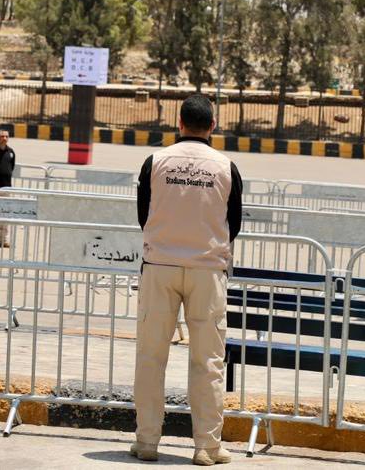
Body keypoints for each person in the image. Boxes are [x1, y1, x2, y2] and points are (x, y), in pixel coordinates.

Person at [131, 94, 242, 466]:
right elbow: (234, 223)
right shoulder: (226, 167)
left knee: (151, 356)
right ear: (212, 126)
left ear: (179, 123)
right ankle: (207, 446)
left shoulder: (155, 162)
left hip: (159, 266)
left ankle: (147, 441)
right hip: (207, 271)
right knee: (208, 361)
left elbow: (143, 215)